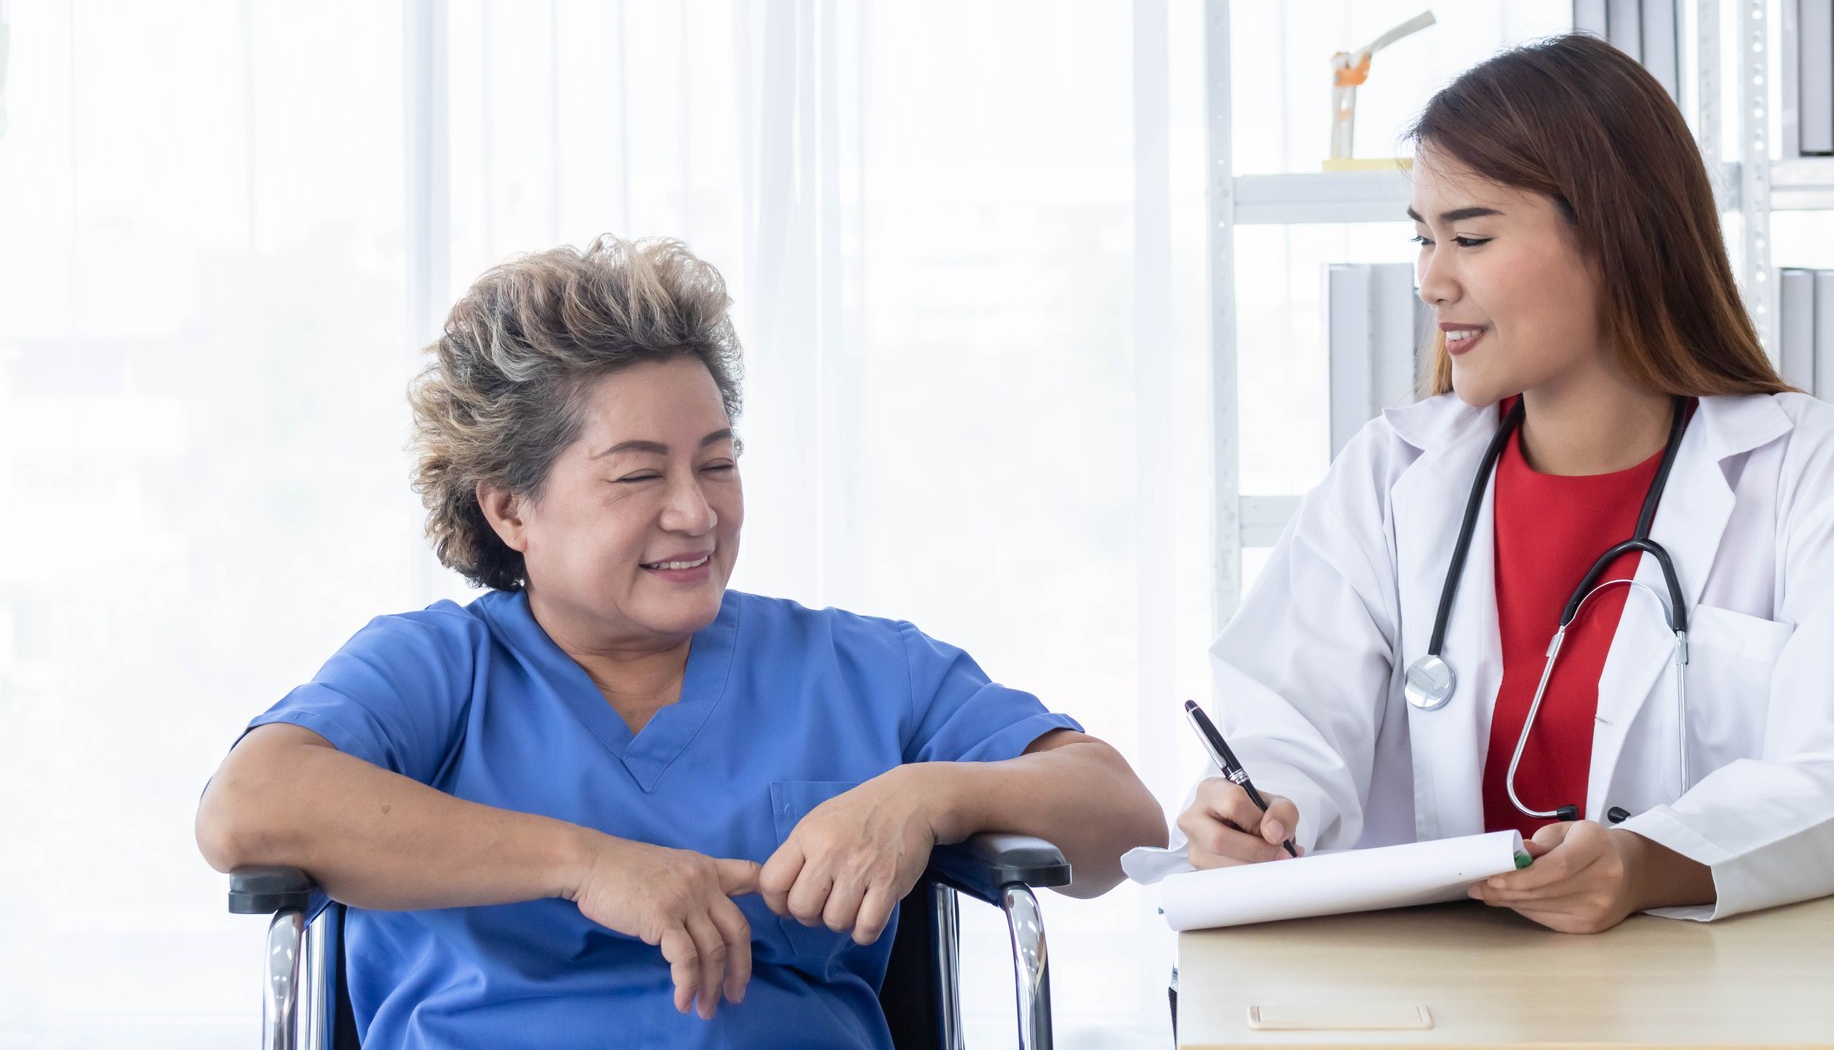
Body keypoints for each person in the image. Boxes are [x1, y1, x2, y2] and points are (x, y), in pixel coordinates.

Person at [196, 236, 1166, 1048]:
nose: (696, 511)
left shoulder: (862, 670)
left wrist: (930, 792)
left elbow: (1123, 819)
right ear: (510, 507)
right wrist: (591, 862)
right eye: (636, 475)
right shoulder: (437, 671)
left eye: (717, 463)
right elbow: (247, 807)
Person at [1177, 33, 1834, 934]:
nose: (1429, 279)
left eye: (1471, 237)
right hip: (1439, 993)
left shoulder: (1802, 467)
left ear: (1615, 234)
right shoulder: (1390, 476)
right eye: (1421, 239)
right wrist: (1258, 809)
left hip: (1702, 1000)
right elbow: (1290, 717)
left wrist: (1649, 865)